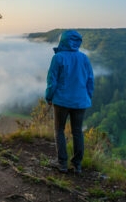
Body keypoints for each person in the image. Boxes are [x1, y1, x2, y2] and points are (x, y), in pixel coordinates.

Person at [45, 30, 94, 173]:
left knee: (59, 130)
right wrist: (87, 97)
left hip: (61, 101)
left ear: (63, 41)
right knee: (77, 132)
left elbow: (52, 81)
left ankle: (62, 164)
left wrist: (49, 97)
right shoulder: (84, 58)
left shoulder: (58, 58)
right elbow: (90, 80)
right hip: (80, 102)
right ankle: (77, 165)